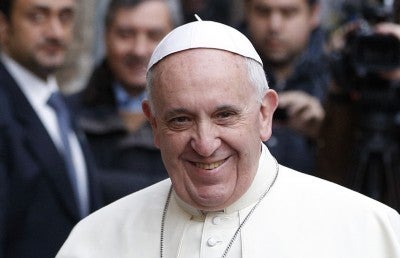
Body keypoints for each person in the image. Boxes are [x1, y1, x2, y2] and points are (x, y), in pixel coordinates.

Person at [56, 20, 400, 258]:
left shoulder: (369, 232)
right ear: (154, 125)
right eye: (181, 119)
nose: (205, 144)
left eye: (224, 115)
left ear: (265, 114)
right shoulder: (94, 241)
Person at [0, 0, 103, 257]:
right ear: (3, 24)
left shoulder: (59, 105)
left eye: (65, 17)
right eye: (37, 17)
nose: (55, 32)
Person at [72, 0, 178, 204]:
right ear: (105, 37)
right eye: (125, 34)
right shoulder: (66, 117)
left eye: (153, 36)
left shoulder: (196, 122)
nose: (138, 50)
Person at [241, 0, 330, 174]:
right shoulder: (221, 70)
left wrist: (327, 131)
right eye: (263, 12)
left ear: (313, 14)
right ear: (247, 11)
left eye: (288, 13)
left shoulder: (338, 77)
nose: (274, 26)